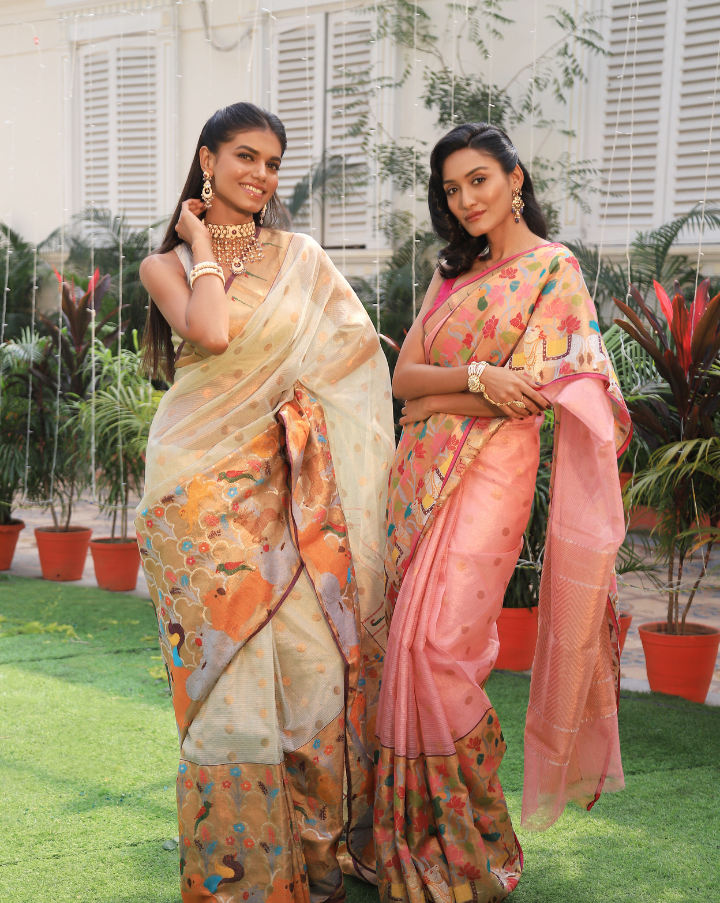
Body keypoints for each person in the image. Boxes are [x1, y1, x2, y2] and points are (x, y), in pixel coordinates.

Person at [136, 102, 395, 903]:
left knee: (313, 665)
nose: (261, 174)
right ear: (207, 160)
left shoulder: (301, 258)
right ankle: (242, 873)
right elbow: (211, 333)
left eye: (273, 163)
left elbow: (352, 360)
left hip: (289, 481)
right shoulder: (165, 264)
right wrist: (203, 243)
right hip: (193, 487)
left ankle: (317, 854)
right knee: (229, 677)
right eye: (245, 156)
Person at [373, 122, 632, 903]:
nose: (466, 199)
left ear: (516, 178)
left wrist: (447, 397)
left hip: (493, 475)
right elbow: (403, 381)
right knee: (406, 646)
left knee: (438, 649)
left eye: (479, 179)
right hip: (418, 477)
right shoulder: (450, 273)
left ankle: (476, 835)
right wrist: (480, 377)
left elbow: (540, 394)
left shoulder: (554, 269)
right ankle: (425, 838)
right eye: (451, 189)